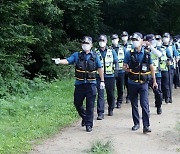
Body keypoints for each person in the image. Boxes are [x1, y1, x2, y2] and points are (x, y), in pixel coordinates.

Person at [52, 36, 104, 132]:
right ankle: (84, 116)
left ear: (91, 45)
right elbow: (68, 60)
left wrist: (102, 81)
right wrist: (59, 61)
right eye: (84, 43)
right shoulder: (77, 55)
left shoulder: (95, 56)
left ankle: (89, 125)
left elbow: (100, 68)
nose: (85, 45)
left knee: (90, 105)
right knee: (77, 103)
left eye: (87, 43)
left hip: (91, 84)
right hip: (80, 84)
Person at [123, 32, 158, 133]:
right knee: (134, 104)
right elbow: (124, 66)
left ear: (142, 41)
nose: (135, 42)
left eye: (136, 40)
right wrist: (127, 69)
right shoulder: (129, 53)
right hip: (132, 82)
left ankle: (146, 125)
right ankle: (136, 123)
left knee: (144, 104)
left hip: (143, 83)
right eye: (133, 40)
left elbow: (151, 68)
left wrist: (154, 81)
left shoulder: (147, 53)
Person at [95, 34, 118, 120]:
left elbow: (116, 61)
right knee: (100, 94)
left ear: (106, 42)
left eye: (103, 41)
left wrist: (116, 70)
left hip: (110, 76)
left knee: (110, 93)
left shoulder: (111, 51)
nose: (102, 43)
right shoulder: (95, 52)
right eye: (100, 41)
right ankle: (100, 113)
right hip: (99, 76)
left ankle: (111, 108)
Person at [144, 34, 163, 114]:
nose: (152, 42)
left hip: (156, 74)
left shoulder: (157, 48)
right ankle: (146, 111)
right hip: (145, 75)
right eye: (150, 40)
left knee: (158, 93)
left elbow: (159, 54)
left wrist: (151, 47)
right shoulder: (144, 49)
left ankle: (159, 106)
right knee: (144, 94)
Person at [162, 32, 179, 103]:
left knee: (169, 83)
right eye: (164, 37)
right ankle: (163, 96)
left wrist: (175, 61)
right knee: (163, 83)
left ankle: (169, 97)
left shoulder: (172, 46)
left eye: (167, 37)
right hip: (162, 67)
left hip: (171, 67)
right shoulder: (160, 46)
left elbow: (176, 55)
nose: (165, 39)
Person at [111, 34, 125, 108]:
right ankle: (112, 102)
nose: (114, 40)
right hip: (112, 71)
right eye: (112, 39)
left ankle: (119, 101)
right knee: (112, 88)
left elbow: (126, 58)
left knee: (120, 87)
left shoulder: (122, 48)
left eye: (115, 39)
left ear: (118, 39)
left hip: (121, 71)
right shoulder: (110, 49)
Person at [121, 31, 132, 104]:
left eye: (125, 36)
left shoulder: (131, 46)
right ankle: (121, 97)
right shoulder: (119, 46)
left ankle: (129, 96)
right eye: (123, 36)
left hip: (129, 67)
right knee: (122, 83)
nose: (124, 37)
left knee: (128, 83)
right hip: (122, 67)